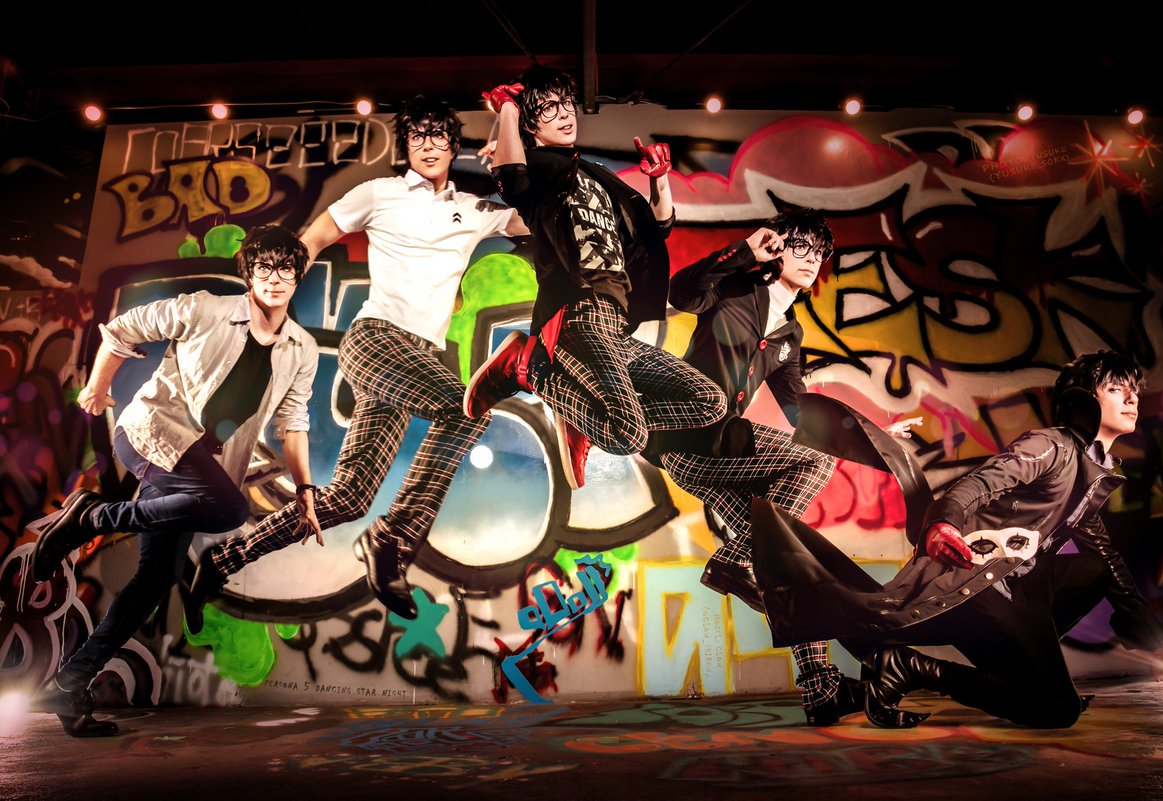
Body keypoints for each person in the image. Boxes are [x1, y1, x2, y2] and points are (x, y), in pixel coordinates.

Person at [184, 96, 529, 629]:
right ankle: (392, 539)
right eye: (417, 136)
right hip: (375, 341)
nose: (429, 145)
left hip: (417, 356)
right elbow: (312, 241)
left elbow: (535, 220)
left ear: (453, 144)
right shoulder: (378, 194)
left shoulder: (476, 210)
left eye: (439, 135)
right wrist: (267, 312)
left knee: (348, 496)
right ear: (406, 146)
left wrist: (510, 164)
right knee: (468, 410)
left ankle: (223, 560)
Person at [753, 350, 1163, 729]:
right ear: (1084, 399)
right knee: (1056, 709)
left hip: (1015, 591)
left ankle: (1016, 673)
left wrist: (1152, 643)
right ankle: (910, 667)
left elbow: (1106, 556)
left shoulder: (1092, 472)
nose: (1132, 399)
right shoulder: (1051, 445)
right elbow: (977, 484)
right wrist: (944, 525)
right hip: (978, 578)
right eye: (1116, 389)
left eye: (1134, 390)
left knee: (1094, 569)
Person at [31, 224, 319, 737]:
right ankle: (90, 518)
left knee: (156, 578)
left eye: (285, 269)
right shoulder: (204, 309)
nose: (274, 278)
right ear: (249, 273)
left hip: (198, 467)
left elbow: (293, 421)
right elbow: (123, 328)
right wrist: (96, 388)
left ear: (298, 275)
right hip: (151, 434)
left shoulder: (301, 347)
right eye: (264, 267)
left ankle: (70, 683)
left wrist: (305, 492)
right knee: (229, 509)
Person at [655, 208, 918, 724]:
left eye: (819, 252)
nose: (811, 259)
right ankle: (732, 561)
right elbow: (680, 293)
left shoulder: (790, 336)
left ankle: (820, 689)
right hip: (688, 436)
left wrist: (877, 434)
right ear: (775, 248)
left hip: (720, 454)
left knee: (788, 561)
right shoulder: (733, 290)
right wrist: (740, 253)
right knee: (811, 469)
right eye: (801, 246)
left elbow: (804, 417)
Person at [462, 65, 726, 489]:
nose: (565, 113)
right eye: (548, 108)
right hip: (576, 316)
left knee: (709, 401)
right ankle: (529, 368)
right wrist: (508, 108)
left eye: (567, 103)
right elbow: (511, 179)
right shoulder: (540, 168)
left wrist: (659, 181)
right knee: (628, 435)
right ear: (531, 125)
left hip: (615, 325)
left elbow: (655, 229)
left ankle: (581, 409)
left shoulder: (596, 175)